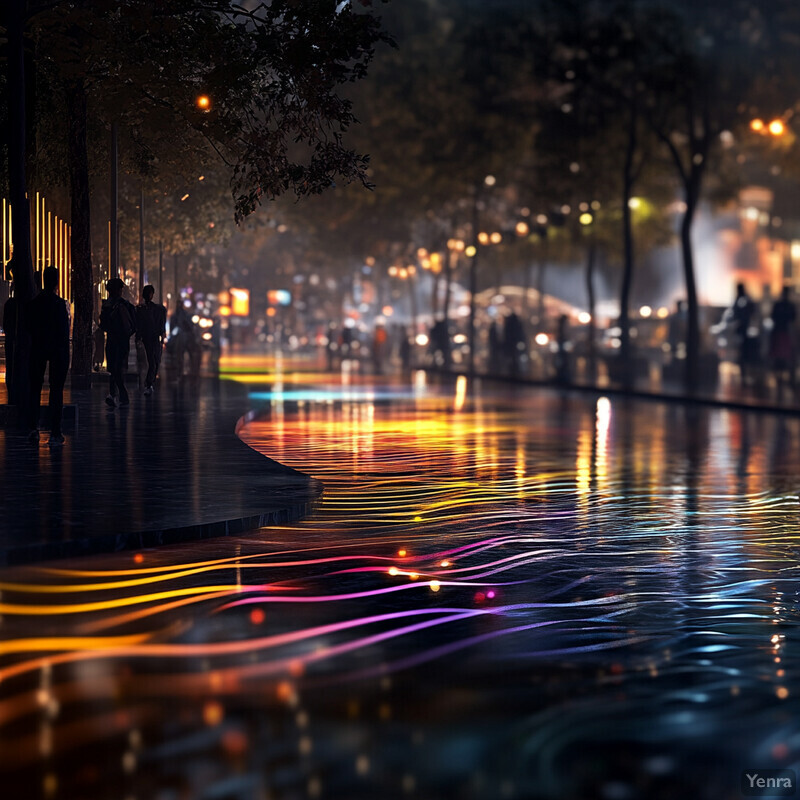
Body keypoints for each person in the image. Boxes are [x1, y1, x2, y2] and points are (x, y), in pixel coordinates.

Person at [26, 266, 70, 446]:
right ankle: (55, 432)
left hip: (38, 348)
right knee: (56, 390)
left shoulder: (35, 304)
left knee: (35, 388)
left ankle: (33, 428)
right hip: (57, 351)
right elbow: (63, 332)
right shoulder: (59, 304)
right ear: (57, 281)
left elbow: (28, 327)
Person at [100, 277, 136, 408]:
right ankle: (118, 394)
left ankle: (116, 394)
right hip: (121, 340)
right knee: (116, 369)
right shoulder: (126, 305)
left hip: (113, 340)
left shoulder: (107, 305)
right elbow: (134, 324)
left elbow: (102, 324)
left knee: (114, 369)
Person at [135, 285, 167, 395]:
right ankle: (148, 383)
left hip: (153, 338)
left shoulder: (158, 309)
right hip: (147, 339)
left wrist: (162, 336)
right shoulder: (141, 310)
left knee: (155, 361)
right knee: (152, 362)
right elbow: (139, 325)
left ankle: (149, 383)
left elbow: (161, 325)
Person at [769, 286, 796, 387]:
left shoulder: (782, 305)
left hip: (783, 332)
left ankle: (780, 377)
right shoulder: (786, 305)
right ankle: (779, 377)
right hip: (782, 332)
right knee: (780, 356)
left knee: (782, 356)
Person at [732, 282, 755, 383]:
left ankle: (744, 374)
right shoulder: (743, 300)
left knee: (744, 353)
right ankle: (744, 374)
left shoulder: (742, 300)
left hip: (743, 330)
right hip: (742, 330)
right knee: (743, 353)